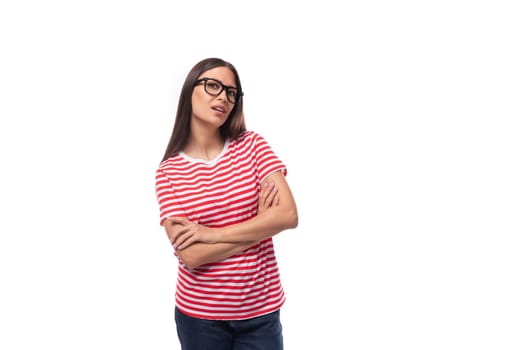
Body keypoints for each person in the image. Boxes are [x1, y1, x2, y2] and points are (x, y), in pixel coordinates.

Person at [155, 57, 298, 350]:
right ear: (189, 91)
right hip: (199, 318)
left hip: (261, 313)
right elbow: (192, 256)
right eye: (212, 86)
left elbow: (287, 214)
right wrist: (259, 226)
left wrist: (211, 234)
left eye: (232, 92)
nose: (224, 97)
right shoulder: (168, 172)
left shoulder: (253, 146)